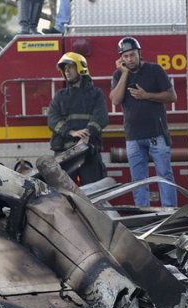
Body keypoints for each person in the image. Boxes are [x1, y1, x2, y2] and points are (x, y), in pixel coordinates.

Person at [110, 36, 178, 207]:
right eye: (125, 56)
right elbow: (115, 100)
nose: (129, 59)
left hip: (157, 134)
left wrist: (147, 95)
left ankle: (170, 213)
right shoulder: (118, 75)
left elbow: (172, 96)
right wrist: (124, 73)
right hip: (133, 137)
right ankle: (143, 215)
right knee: (138, 180)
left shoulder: (155, 70)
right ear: (121, 59)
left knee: (164, 176)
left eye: (132, 55)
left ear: (139, 53)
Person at [48, 52, 109, 185]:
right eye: (64, 69)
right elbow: (52, 119)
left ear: (81, 68)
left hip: (89, 152)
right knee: (63, 194)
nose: (67, 71)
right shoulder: (60, 96)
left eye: (70, 67)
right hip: (64, 155)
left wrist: (86, 133)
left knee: (94, 193)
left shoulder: (96, 94)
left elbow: (101, 118)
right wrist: (72, 132)